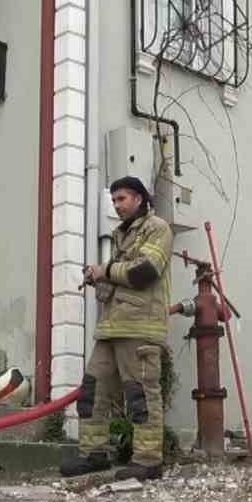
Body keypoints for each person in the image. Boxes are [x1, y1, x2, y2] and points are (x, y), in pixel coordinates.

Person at [61, 176, 174, 481]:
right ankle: (93, 453)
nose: (117, 205)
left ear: (139, 198)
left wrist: (105, 270)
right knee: (92, 391)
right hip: (112, 326)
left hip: (140, 327)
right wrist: (99, 279)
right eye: (113, 201)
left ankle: (148, 460)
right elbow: (120, 278)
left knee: (140, 395)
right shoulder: (121, 235)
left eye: (121, 199)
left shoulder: (157, 228)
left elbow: (145, 271)